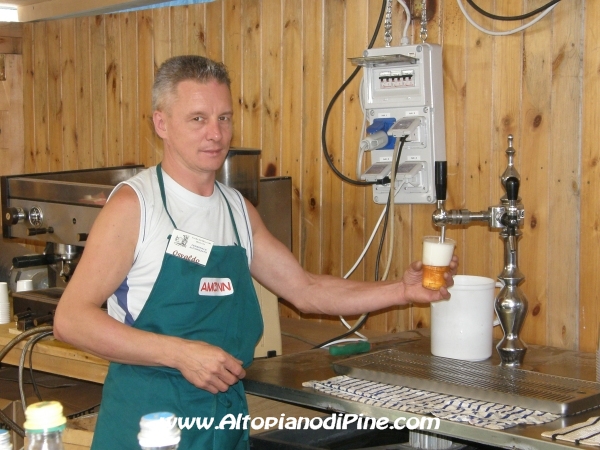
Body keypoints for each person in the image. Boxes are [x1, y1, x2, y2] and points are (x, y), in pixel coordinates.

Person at [53, 55, 458, 450]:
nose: (215, 133)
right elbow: (71, 320)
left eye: (224, 118)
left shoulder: (237, 211)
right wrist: (179, 354)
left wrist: (402, 291)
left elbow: (306, 289)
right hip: (148, 424)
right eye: (198, 119)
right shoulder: (136, 206)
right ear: (162, 123)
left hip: (223, 421)